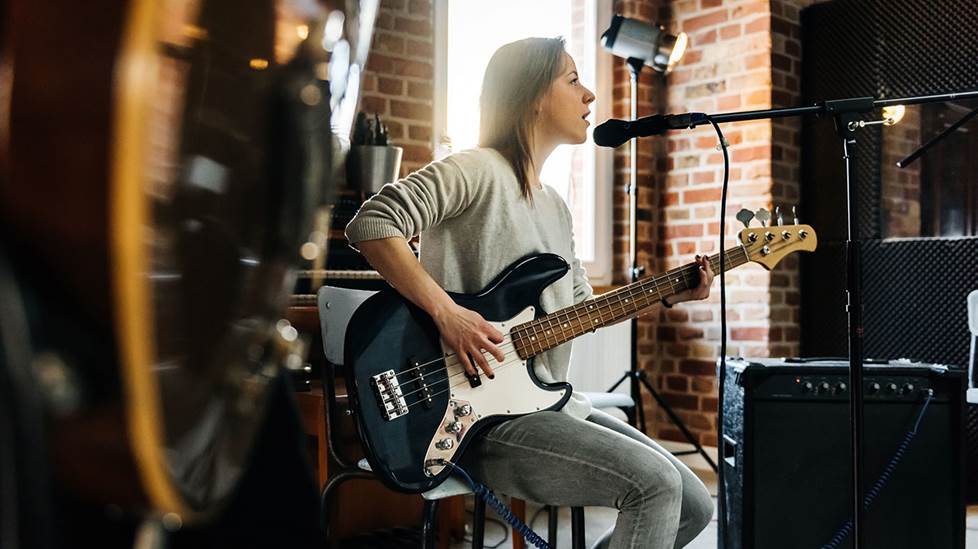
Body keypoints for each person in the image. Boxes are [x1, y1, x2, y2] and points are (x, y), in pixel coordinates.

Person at [346, 36, 713, 549]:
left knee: (695, 505)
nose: (590, 96)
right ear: (533, 95)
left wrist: (668, 293)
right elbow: (372, 223)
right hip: (476, 420)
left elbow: (583, 311)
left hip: (546, 405)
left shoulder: (557, 207)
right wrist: (448, 314)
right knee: (654, 485)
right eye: (573, 80)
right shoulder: (476, 169)